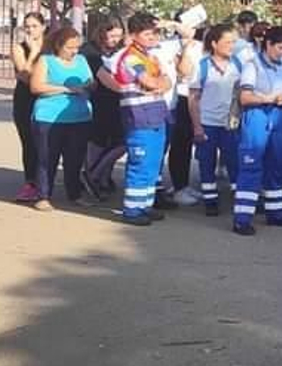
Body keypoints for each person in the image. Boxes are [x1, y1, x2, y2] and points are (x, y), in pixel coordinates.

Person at [108, 12, 173, 226]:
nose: (152, 37)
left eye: (154, 33)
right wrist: (158, 82)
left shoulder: (150, 57)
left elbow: (167, 82)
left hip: (156, 116)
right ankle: (132, 210)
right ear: (134, 35)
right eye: (147, 34)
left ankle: (145, 205)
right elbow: (152, 82)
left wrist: (159, 82)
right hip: (138, 119)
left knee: (153, 166)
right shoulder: (131, 58)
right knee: (140, 165)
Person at [235, 25, 282, 235]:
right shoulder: (252, 66)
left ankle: (276, 212)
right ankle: (242, 218)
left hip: (278, 115)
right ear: (267, 44)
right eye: (280, 48)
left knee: (276, 164)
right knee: (251, 167)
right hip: (257, 115)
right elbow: (244, 97)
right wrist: (267, 98)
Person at [28, 24, 93, 209]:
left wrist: (87, 86)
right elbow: (36, 87)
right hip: (49, 117)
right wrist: (66, 89)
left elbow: (91, 82)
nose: (74, 51)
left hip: (80, 117)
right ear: (58, 45)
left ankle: (74, 193)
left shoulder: (81, 60)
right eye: (69, 47)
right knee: (47, 158)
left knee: (75, 158)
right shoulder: (46, 60)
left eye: (76, 47)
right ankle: (43, 195)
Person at [191, 23, 242, 218]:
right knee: (206, 162)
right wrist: (196, 126)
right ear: (214, 43)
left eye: (234, 42)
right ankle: (210, 199)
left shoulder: (237, 64)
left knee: (234, 161)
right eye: (227, 42)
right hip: (207, 123)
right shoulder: (202, 66)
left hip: (230, 123)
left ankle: (239, 197)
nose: (231, 46)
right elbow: (193, 99)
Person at [81, 18, 126, 201]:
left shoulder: (119, 51)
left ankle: (100, 176)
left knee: (117, 142)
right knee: (100, 142)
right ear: (101, 33)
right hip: (99, 102)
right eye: (112, 35)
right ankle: (93, 175)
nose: (116, 39)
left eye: (119, 36)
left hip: (117, 104)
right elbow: (105, 79)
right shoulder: (90, 52)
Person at [164, 17, 205, 207]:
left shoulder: (199, 46)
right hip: (178, 97)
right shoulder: (169, 45)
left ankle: (183, 184)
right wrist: (186, 48)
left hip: (194, 97)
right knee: (178, 143)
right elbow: (184, 72)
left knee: (187, 143)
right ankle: (177, 187)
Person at [9, 11, 47, 204]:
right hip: (26, 99)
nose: (31, 30)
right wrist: (33, 53)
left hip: (47, 99)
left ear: (43, 27)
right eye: (27, 27)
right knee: (29, 142)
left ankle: (45, 180)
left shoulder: (51, 47)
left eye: (34, 26)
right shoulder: (19, 48)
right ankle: (30, 182)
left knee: (47, 143)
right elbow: (25, 75)